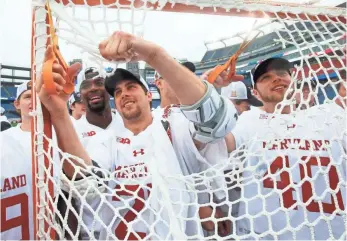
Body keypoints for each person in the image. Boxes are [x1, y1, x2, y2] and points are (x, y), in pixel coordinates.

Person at [36, 31, 239, 239]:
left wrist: (154, 55)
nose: (124, 93)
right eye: (117, 92)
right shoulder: (106, 141)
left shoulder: (172, 126)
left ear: (149, 95)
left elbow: (215, 120)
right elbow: (86, 185)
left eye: (131, 87)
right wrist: (60, 114)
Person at [224, 57, 346, 240]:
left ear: (294, 81)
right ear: (255, 92)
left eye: (282, 73)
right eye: (265, 77)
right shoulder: (250, 121)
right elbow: (223, 141)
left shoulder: (327, 115)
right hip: (269, 235)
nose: (276, 79)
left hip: (331, 233)